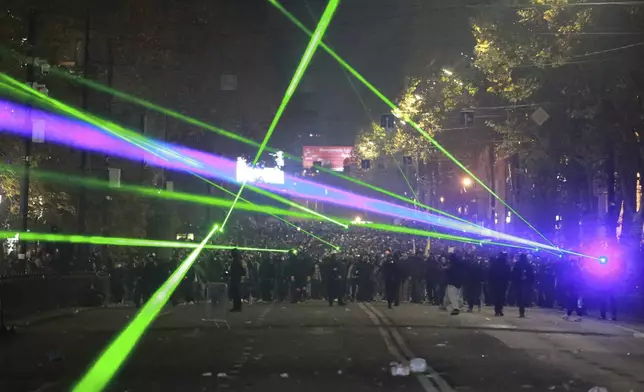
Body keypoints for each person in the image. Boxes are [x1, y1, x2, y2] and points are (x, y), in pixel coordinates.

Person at [512, 253, 535, 318]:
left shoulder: (517, 264)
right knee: (523, 296)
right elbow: (532, 275)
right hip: (526, 283)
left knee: (519, 296)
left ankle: (521, 308)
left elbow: (514, 273)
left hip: (518, 283)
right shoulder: (528, 265)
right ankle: (522, 310)